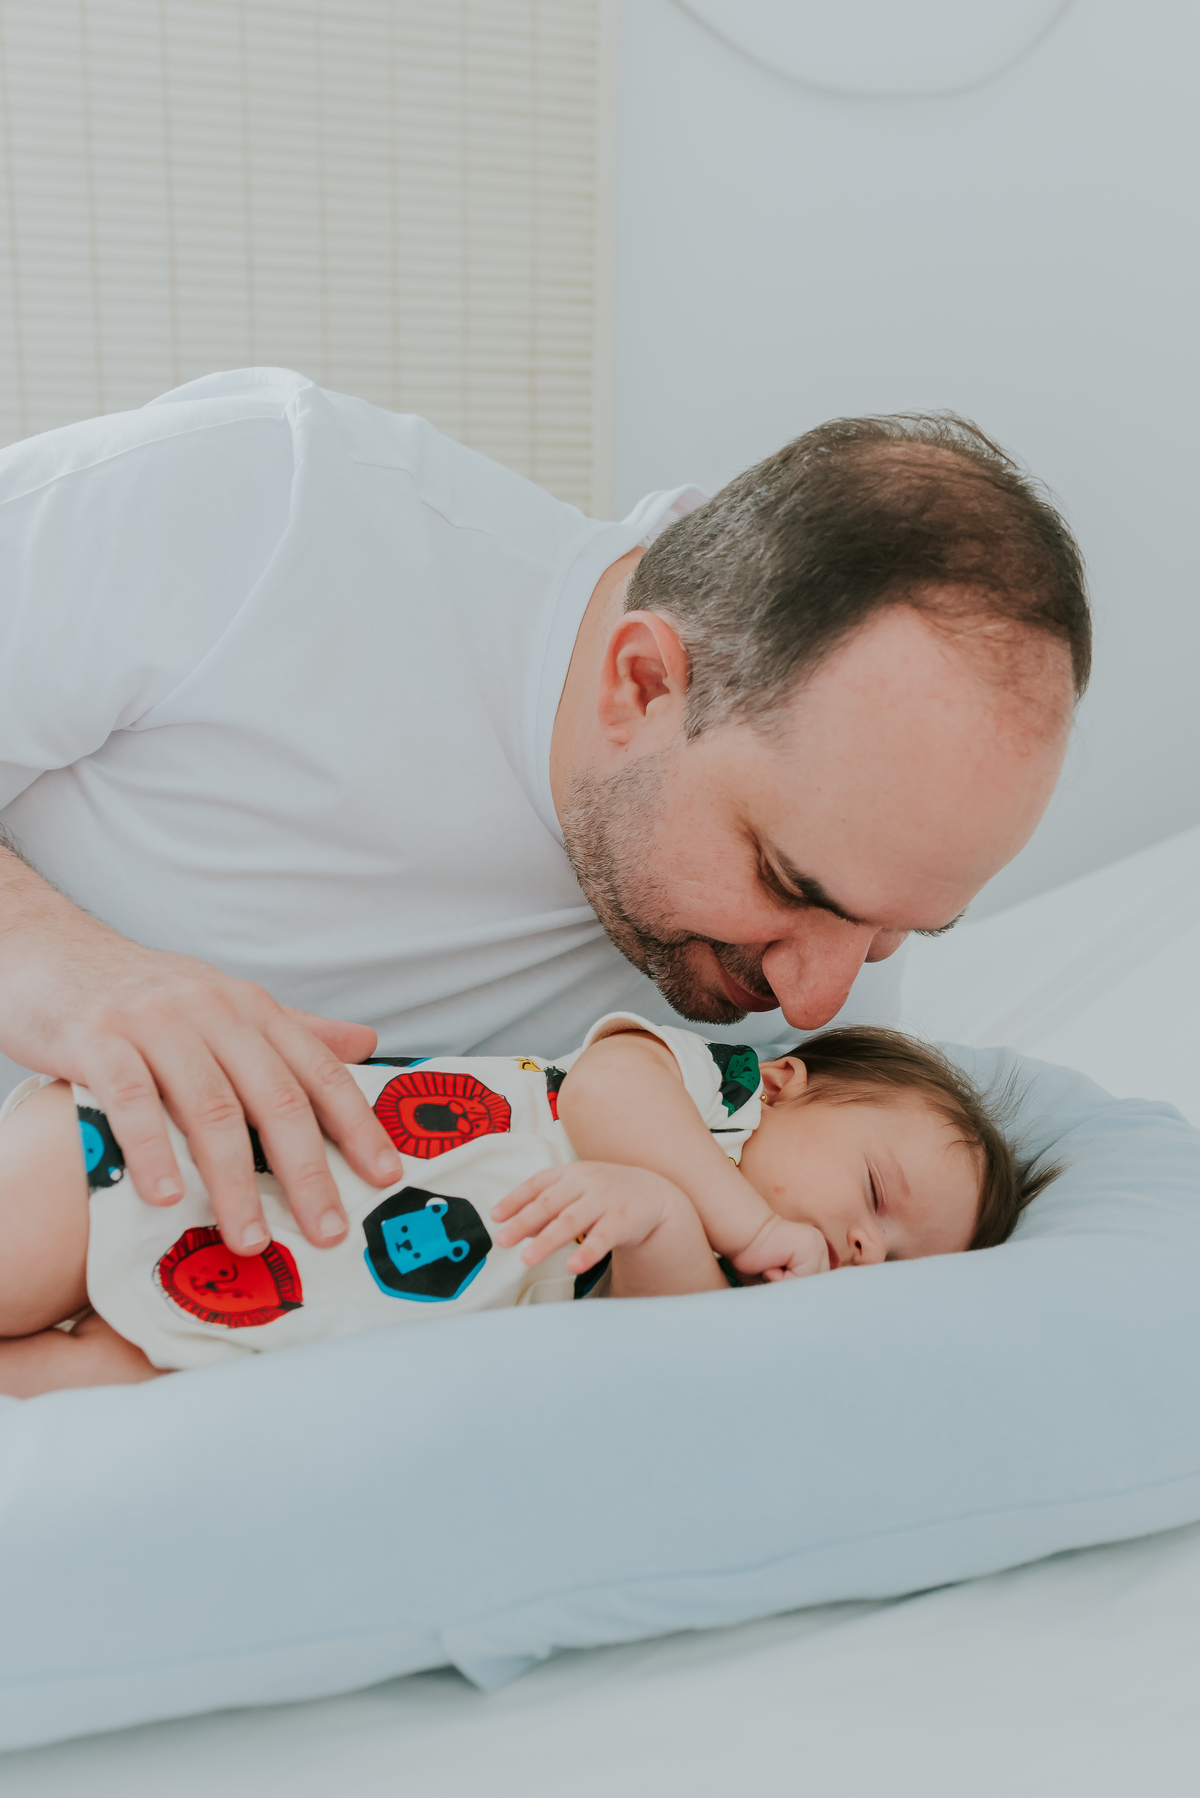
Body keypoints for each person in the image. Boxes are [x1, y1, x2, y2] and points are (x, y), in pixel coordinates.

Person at [0, 371, 1089, 1266]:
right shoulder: (263, 505)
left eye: (898, 932)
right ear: (643, 685)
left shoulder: (815, 1025)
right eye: (791, 888)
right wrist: (66, 971)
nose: (818, 997)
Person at [0, 1013, 1049, 1396]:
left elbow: (662, 1332)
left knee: (89, 1384)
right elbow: (602, 1092)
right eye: (875, 1194)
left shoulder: (743, 1302)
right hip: (178, 1158)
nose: (867, 1244)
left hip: (256, 1319)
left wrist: (670, 1225)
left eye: (900, 1259)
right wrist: (742, 1217)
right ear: (786, 1085)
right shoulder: (711, 1094)